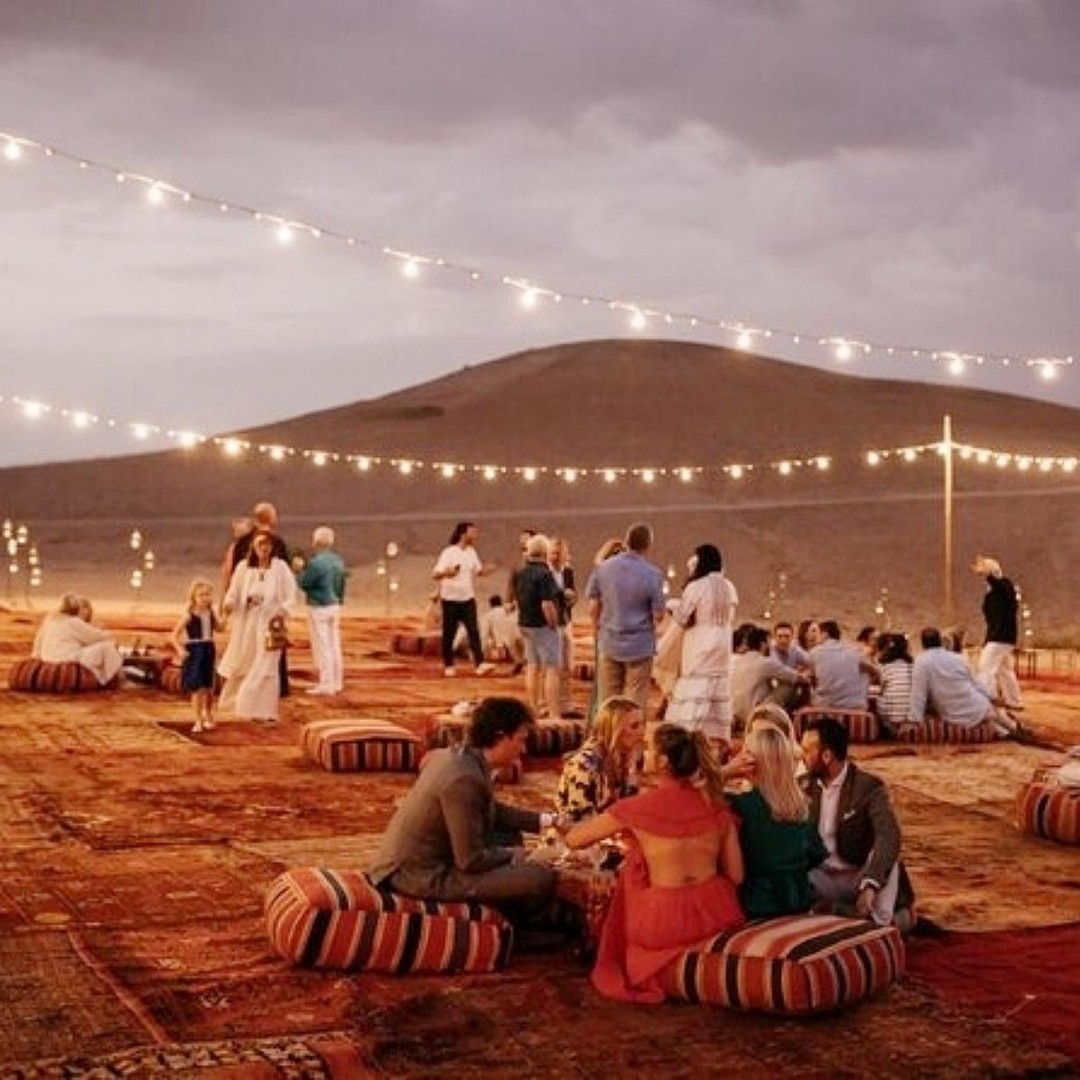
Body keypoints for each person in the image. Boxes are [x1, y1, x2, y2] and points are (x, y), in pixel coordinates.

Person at [565, 723, 745, 1003]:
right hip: (717, 915)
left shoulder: (637, 808)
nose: (643, 752)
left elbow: (576, 840)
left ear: (662, 762)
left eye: (648, 749)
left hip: (663, 922)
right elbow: (736, 876)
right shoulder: (718, 806)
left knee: (627, 875)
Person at [368, 697, 558, 929]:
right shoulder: (464, 778)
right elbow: (470, 861)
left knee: (509, 836)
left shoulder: (458, 757)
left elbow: (489, 810)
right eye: (520, 741)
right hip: (419, 877)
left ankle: (509, 910)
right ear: (499, 736)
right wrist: (522, 855)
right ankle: (522, 930)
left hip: (416, 863)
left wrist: (549, 821)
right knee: (541, 875)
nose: (523, 749)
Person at [800, 716, 915, 930]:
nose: (802, 755)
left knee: (889, 860)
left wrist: (870, 883)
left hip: (857, 876)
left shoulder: (868, 787)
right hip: (820, 877)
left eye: (807, 750)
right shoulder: (802, 786)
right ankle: (844, 917)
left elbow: (888, 835)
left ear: (826, 755)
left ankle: (879, 924)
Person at [726, 718, 827, 918]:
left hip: (757, 906)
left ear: (751, 763)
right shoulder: (800, 805)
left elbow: (689, 793)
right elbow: (817, 854)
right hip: (799, 901)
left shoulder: (741, 804)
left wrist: (727, 771)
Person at [662, 543, 740, 747]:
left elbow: (683, 617)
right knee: (715, 696)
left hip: (700, 644)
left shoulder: (696, 587)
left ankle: (686, 742)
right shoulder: (729, 586)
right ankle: (715, 744)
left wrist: (671, 605)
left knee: (694, 693)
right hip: (723, 645)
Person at [585, 523, 666, 717]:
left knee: (608, 701)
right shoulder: (653, 574)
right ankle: (632, 745)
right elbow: (658, 615)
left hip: (609, 641)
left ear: (627, 541)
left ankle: (608, 741)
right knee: (634, 702)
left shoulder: (603, 568)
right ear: (648, 544)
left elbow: (593, 606)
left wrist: (597, 629)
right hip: (639, 645)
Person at [217, 529, 297, 723]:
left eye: (267, 544)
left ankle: (262, 708)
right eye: (260, 544)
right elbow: (233, 593)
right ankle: (240, 703)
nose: (264, 548)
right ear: (254, 546)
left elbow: (290, 594)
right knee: (245, 660)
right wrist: (234, 603)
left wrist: (281, 611)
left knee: (267, 665)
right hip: (248, 624)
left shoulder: (280, 568)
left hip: (271, 626)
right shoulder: (244, 567)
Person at [908, 627, 1013, 735]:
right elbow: (976, 684)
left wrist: (914, 720)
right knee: (997, 719)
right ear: (940, 641)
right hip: (980, 706)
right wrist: (993, 698)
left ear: (922, 644)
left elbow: (918, 695)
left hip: (956, 716)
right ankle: (1010, 729)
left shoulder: (921, 661)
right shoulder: (958, 658)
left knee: (996, 724)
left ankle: (1006, 731)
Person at [555, 696, 644, 822]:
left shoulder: (624, 758)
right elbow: (579, 820)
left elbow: (629, 809)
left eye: (642, 724)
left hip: (606, 832)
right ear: (614, 730)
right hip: (577, 836)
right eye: (634, 726)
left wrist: (631, 772)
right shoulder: (583, 764)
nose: (642, 732)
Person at [432, 521, 498, 678]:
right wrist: (447, 573)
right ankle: (449, 665)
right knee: (449, 633)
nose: (476, 535)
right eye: (473, 532)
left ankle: (480, 664)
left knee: (474, 632)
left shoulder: (471, 553)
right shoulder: (449, 552)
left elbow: (478, 571)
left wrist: (489, 569)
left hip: (467, 598)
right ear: (463, 534)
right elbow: (435, 574)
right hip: (450, 600)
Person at [513, 534, 563, 720]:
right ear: (545, 552)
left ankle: (532, 709)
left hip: (525, 623)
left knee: (532, 666)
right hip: (542, 625)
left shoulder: (520, 572)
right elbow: (547, 604)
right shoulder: (544, 574)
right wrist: (553, 623)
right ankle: (554, 713)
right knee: (551, 669)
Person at [295, 525, 347, 696]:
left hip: (319, 606)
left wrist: (299, 571)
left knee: (323, 646)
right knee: (334, 645)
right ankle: (337, 682)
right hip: (334, 605)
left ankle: (326, 684)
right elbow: (341, 585)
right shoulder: (338, 561)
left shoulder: (316, 563)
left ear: (316, 541)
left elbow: (304, 584)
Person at [32, 593, 123, 686]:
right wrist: (110, 636)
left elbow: (37, 645)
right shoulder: (73, 621)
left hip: (47, 659)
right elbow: (97, 637)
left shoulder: (49, 621)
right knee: (106, 647)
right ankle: (109, 679)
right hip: (67, 659)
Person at [972, 554, 1023, 714]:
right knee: (1004, 670)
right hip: (999, 636)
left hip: (1001, 637)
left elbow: (998, 585)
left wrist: (987, 574)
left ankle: (987, 701)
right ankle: (1014, 701)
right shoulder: (992, 594)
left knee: (985, 668)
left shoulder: (1005, 586)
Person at [170, 579, 223, 733]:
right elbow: (174, 635)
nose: (205, 598)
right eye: (201, 595)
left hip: (208, 648)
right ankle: (198, 719)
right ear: (194, 597)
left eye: (208, 594)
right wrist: (180, 649)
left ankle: (208, 714)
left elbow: (220, 628)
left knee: (208, 686)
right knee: (197, 687)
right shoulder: (189, 615)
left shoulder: (211, 613)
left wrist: (226, 613)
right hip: (194, 649)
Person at [731, 625, 809, 727]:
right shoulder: (764, 662)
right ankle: (794, 717)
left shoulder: (740, 660)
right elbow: (797, 678)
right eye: (769, 643)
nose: (771, 646)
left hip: (736, 710)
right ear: (763, 644)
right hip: (754, 712)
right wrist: (806, 675)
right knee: (790, 685)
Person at [808, 620, 879, 710]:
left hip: (824, 708)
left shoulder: (814, 652)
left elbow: (812, 679)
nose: (814, 637)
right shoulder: (854, 652)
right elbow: (875, 671)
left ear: (825, 634)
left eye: (817, 633)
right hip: (856, 711)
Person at [549, 536, 581, 718]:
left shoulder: (567, 572)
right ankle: (550, 704)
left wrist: (571, 597)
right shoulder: (545, 573)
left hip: (565, 620)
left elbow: (572, 595)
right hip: (550, 624)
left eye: (558, 554)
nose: (555, 557)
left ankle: (566, 703)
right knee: (553, 667)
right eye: (553, 553)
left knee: (568, 665)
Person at [876, 632, 914, 733]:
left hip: (891, 715)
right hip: (910, 714)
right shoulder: (911, 666)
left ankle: (891, 729)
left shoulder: (884, 666)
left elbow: (882, 689)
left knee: (880, 701)